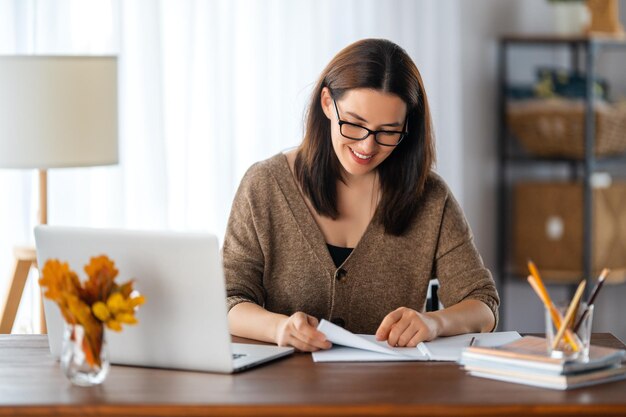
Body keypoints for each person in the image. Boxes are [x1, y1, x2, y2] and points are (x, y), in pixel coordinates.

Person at [223, 38, 499, 352]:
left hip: (388, 392)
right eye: (354, 124)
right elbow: (229, 299)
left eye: (388, 131)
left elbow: (483, 304)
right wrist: (280, 328)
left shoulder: (430, 198)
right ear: (327, 103)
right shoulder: (265, 185)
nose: (368, 146)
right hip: (284, 389)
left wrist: (434, 322)